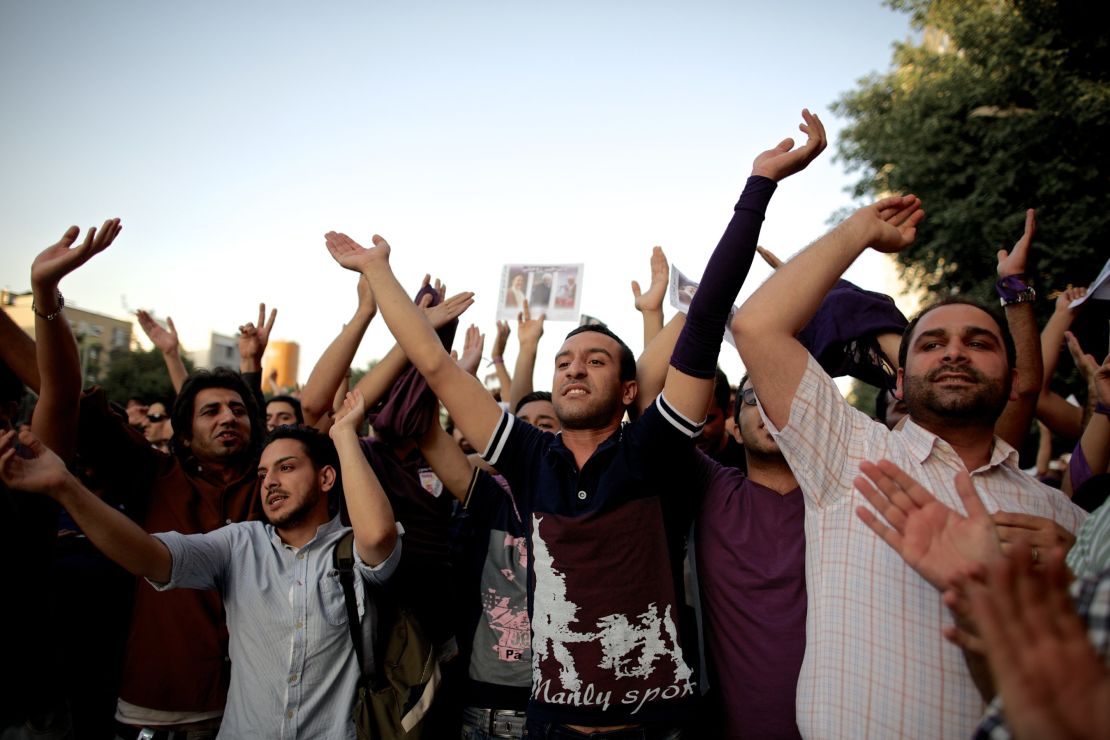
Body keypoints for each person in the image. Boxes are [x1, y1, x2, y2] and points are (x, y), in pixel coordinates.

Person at [326, 107, 826, 735]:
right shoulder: (529, 459)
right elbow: (433, 363)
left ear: (626, 390)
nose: (572, 369)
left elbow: (706, 316)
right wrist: (378, 270)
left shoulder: (655, 449)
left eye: (594, 360)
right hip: (551, 726)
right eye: (563, 361)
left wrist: (758, 187)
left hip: (657, 727)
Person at [731, 195, 1087, 737]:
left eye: (979, 343)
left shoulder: (1060, 518)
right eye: (932, 344)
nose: (953, 354)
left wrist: (1077, 574)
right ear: (898, 379)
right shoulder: (846, 451)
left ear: (1013, 381)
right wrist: (858, 230)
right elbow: (757, 326)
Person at [0, 390, 400, 739]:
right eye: (262, 474)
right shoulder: (240, 543)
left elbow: (380, 537)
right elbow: (149, 555)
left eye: (287, 467)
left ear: (327, 478)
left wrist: (344, 434)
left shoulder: (352, 545)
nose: (270, 482)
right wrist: (65, 488)